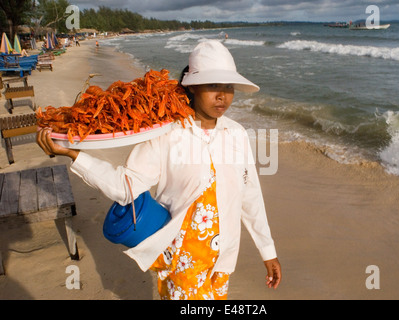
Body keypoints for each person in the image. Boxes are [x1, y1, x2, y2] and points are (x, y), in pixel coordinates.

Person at [36, 40, 281, 300]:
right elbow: (126, 186)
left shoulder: (236, 134)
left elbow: (249, 194)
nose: (222, 96)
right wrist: (75, 155)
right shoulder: (167, 134)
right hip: (180, 260)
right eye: (212, 85)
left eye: (228, 87)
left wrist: (268, 251)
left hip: (223, 259)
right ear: (193, 87)